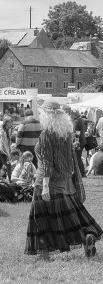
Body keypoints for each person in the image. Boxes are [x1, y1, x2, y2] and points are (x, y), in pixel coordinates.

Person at [25, 100, 102, 258]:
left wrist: (45, 187)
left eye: (41, 113)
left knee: (42, 219)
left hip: (46, 182)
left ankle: (44, 254)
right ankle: (87, 234)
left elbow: (46, 162)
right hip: (66, 181)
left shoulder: (47, 134)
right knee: (71, 216)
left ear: (47, 115)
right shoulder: (66, 133)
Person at [70, 109, 87, 177]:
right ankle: (82, 173)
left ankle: (80, 173)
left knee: (77, 158)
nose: (70, 116)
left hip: (79, 141)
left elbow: (77, 133)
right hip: (82, 140)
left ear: (74, 115)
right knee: (78, 157)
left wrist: (77, 143)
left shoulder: (76, 122)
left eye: (71, 114)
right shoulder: (81, 120)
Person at [0, 116, 13, 182]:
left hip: (7, 151)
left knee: (9, 167)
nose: (11, 123)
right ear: (5, 122)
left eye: (11, 122)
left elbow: (8, 143)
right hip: (2, 152)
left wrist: (9, 152)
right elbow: (3, 143)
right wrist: (7, 154)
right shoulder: (2, 131)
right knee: (4, 167)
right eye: (9, 122)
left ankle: (9, 181)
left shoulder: (9, 130)